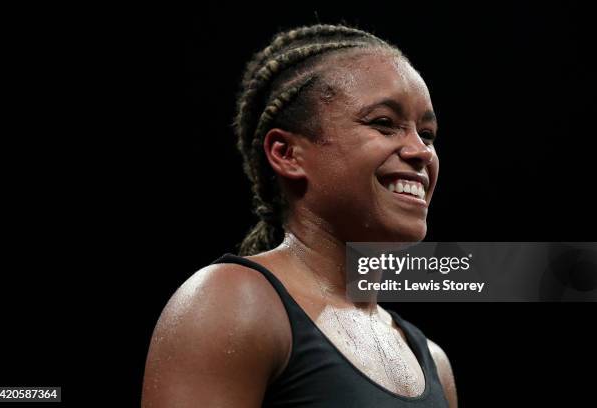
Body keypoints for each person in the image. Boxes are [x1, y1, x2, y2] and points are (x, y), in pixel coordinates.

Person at [143, 23, 458, 407]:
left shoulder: (432, 361)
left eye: (426, 134)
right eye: (383, 124)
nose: (421, 152)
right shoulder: (233, 303)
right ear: (287, 154)